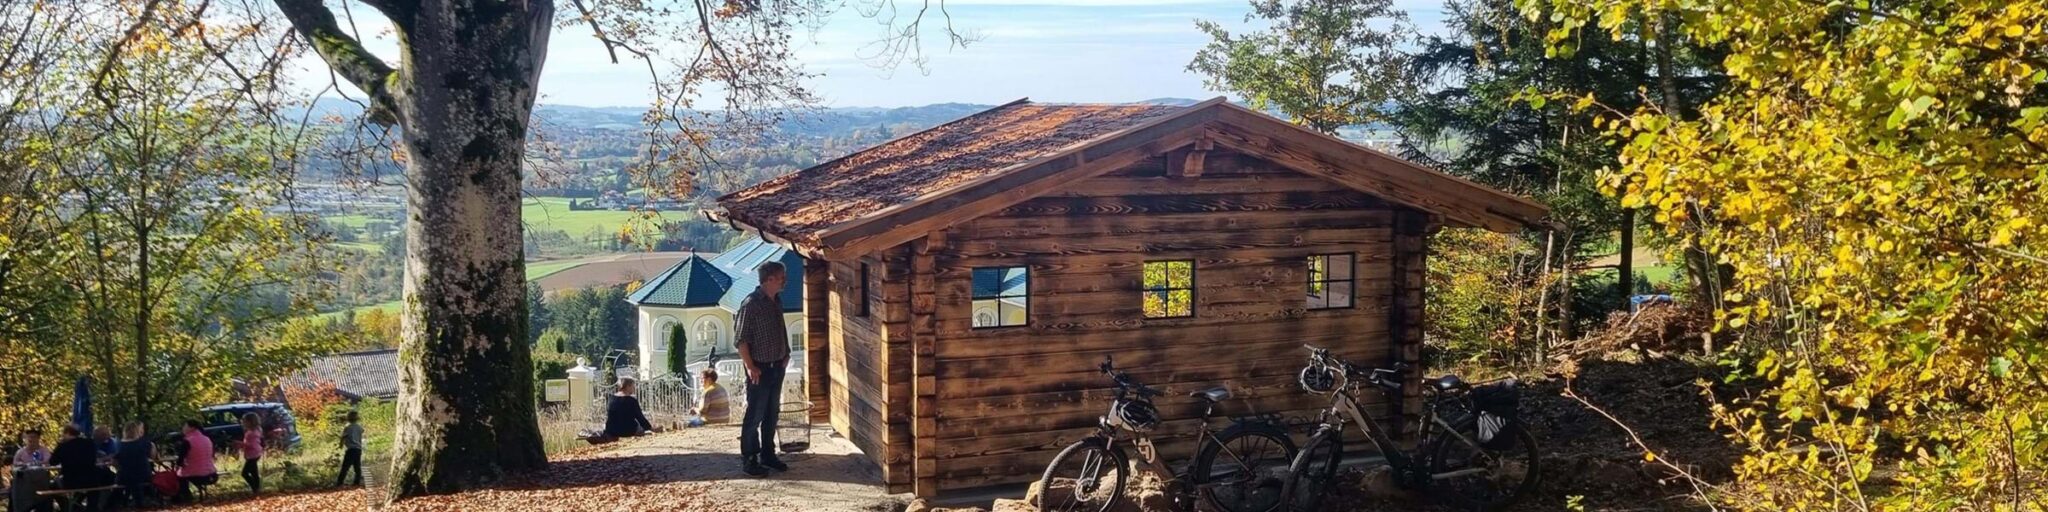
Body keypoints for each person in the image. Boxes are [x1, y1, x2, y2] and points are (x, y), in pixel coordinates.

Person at [736, 260, 791, 477]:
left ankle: (768, 454)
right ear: (769, 279)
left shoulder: (777, 301)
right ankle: (750, 458)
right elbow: (741, 340)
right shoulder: (751, 304)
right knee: (755, 414)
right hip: (760, 369)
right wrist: (750, 366)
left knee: (771, 413)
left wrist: (786, 353)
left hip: (777, 366)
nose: (784, 281)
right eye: (781, 277)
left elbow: (781, 328)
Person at [49, 423, 110, 490]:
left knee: (53, 484)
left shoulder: (62, 446)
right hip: (91, 482)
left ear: (67, 433)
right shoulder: (89, 443)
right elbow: (93, 459)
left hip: (71, 483)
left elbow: (52, 462)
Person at [174, 420, 216, 503]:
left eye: (185, 426)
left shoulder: (188, 441)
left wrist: (179, 464)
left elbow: (180, 460)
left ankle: (185, 497)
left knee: (178, 476)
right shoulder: (207, 438)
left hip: (196, 474)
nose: (183, 428)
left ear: (192, 428)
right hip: (212, 473)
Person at [113, 422, 154, 506]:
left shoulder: (120, 445)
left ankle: (119, 501)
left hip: (125, 475)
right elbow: (152, 456)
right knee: (142, 481)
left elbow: (115, 461)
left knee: (121, 481)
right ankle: (145, 499)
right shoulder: (143, 443)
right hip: (142, 474)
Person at [334, 411, 363, 487]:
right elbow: (360, 436)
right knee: (357, 466)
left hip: (351, 449)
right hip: (358, 448)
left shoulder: (347, 427)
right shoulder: (359, 427)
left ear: (348, 418)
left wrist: (340, 445)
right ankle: (357, 482)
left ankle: (339, 482)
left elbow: (343, 437)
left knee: (345, 466)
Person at [236, 412, 263, 493]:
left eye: (245, 421)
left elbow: (252, 445)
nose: (243, 423)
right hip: (254, 453)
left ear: (250, 422)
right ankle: (256, 488)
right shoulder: (254, 431)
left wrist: (241, 444)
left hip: (253, 455)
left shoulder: (252, 433)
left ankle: (254, 487)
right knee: (254, 472)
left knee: (245, 473)